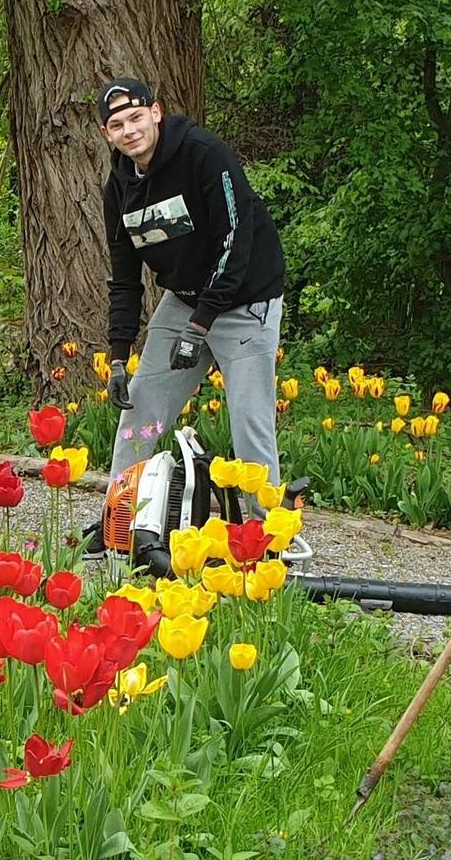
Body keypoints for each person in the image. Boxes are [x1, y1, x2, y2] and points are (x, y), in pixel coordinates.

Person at [88, 77, 301, 559]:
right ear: (107, 134)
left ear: (156, 113)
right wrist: (119, 357)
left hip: (245, 302)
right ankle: (116, 525)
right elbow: (123, 279)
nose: (129, 130)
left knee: (250, 424)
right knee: (138, 412)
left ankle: (267, 541)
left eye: (136, 117)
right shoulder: (118, 191)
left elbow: (236, 241)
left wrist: (202, 325)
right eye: (117, 125)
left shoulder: (205, 155)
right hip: (184, 302)